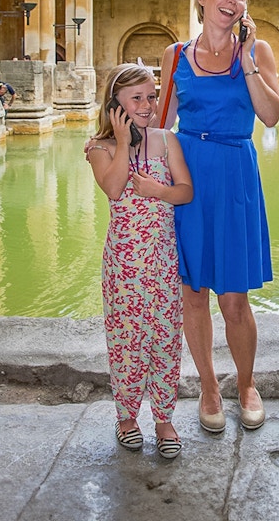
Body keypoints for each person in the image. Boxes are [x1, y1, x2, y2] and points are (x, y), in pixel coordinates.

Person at [157, 0, 279, 433]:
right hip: (187, 175)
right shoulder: (175, 55)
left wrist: (248, 58)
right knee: (193, 296)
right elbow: (159, 122)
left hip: (234, 175)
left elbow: (270, 116)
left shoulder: (257, 51)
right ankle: (209, 387)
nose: (234, 0)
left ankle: (247, 384)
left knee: (234, 299)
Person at [87, 64, 194, 459]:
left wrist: (157, 190)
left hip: (163, 258)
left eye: (152, 96)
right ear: (115, 105)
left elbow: (185, 191)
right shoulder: (100, 148)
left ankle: (164, 418)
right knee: (127, 340)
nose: (148, 105)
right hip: (123, 264)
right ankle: (127, 416)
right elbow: (114, 188)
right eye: (137, 99)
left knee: (165, 339)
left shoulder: (167, 140)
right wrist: (120, 139)